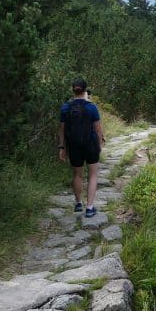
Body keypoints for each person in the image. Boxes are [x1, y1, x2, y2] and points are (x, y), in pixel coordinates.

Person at [58, 79, 105, 217]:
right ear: (85, 90)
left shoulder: (65, 108)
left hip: (73, 145)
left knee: (77, 175)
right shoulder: (92, 107)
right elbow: (98, 129)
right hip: (90, 144)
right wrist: (99, 144)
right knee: (93, 175)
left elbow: (62, 130)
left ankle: (78, 203)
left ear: (73, 90)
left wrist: (62, 147)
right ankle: (90, 208)